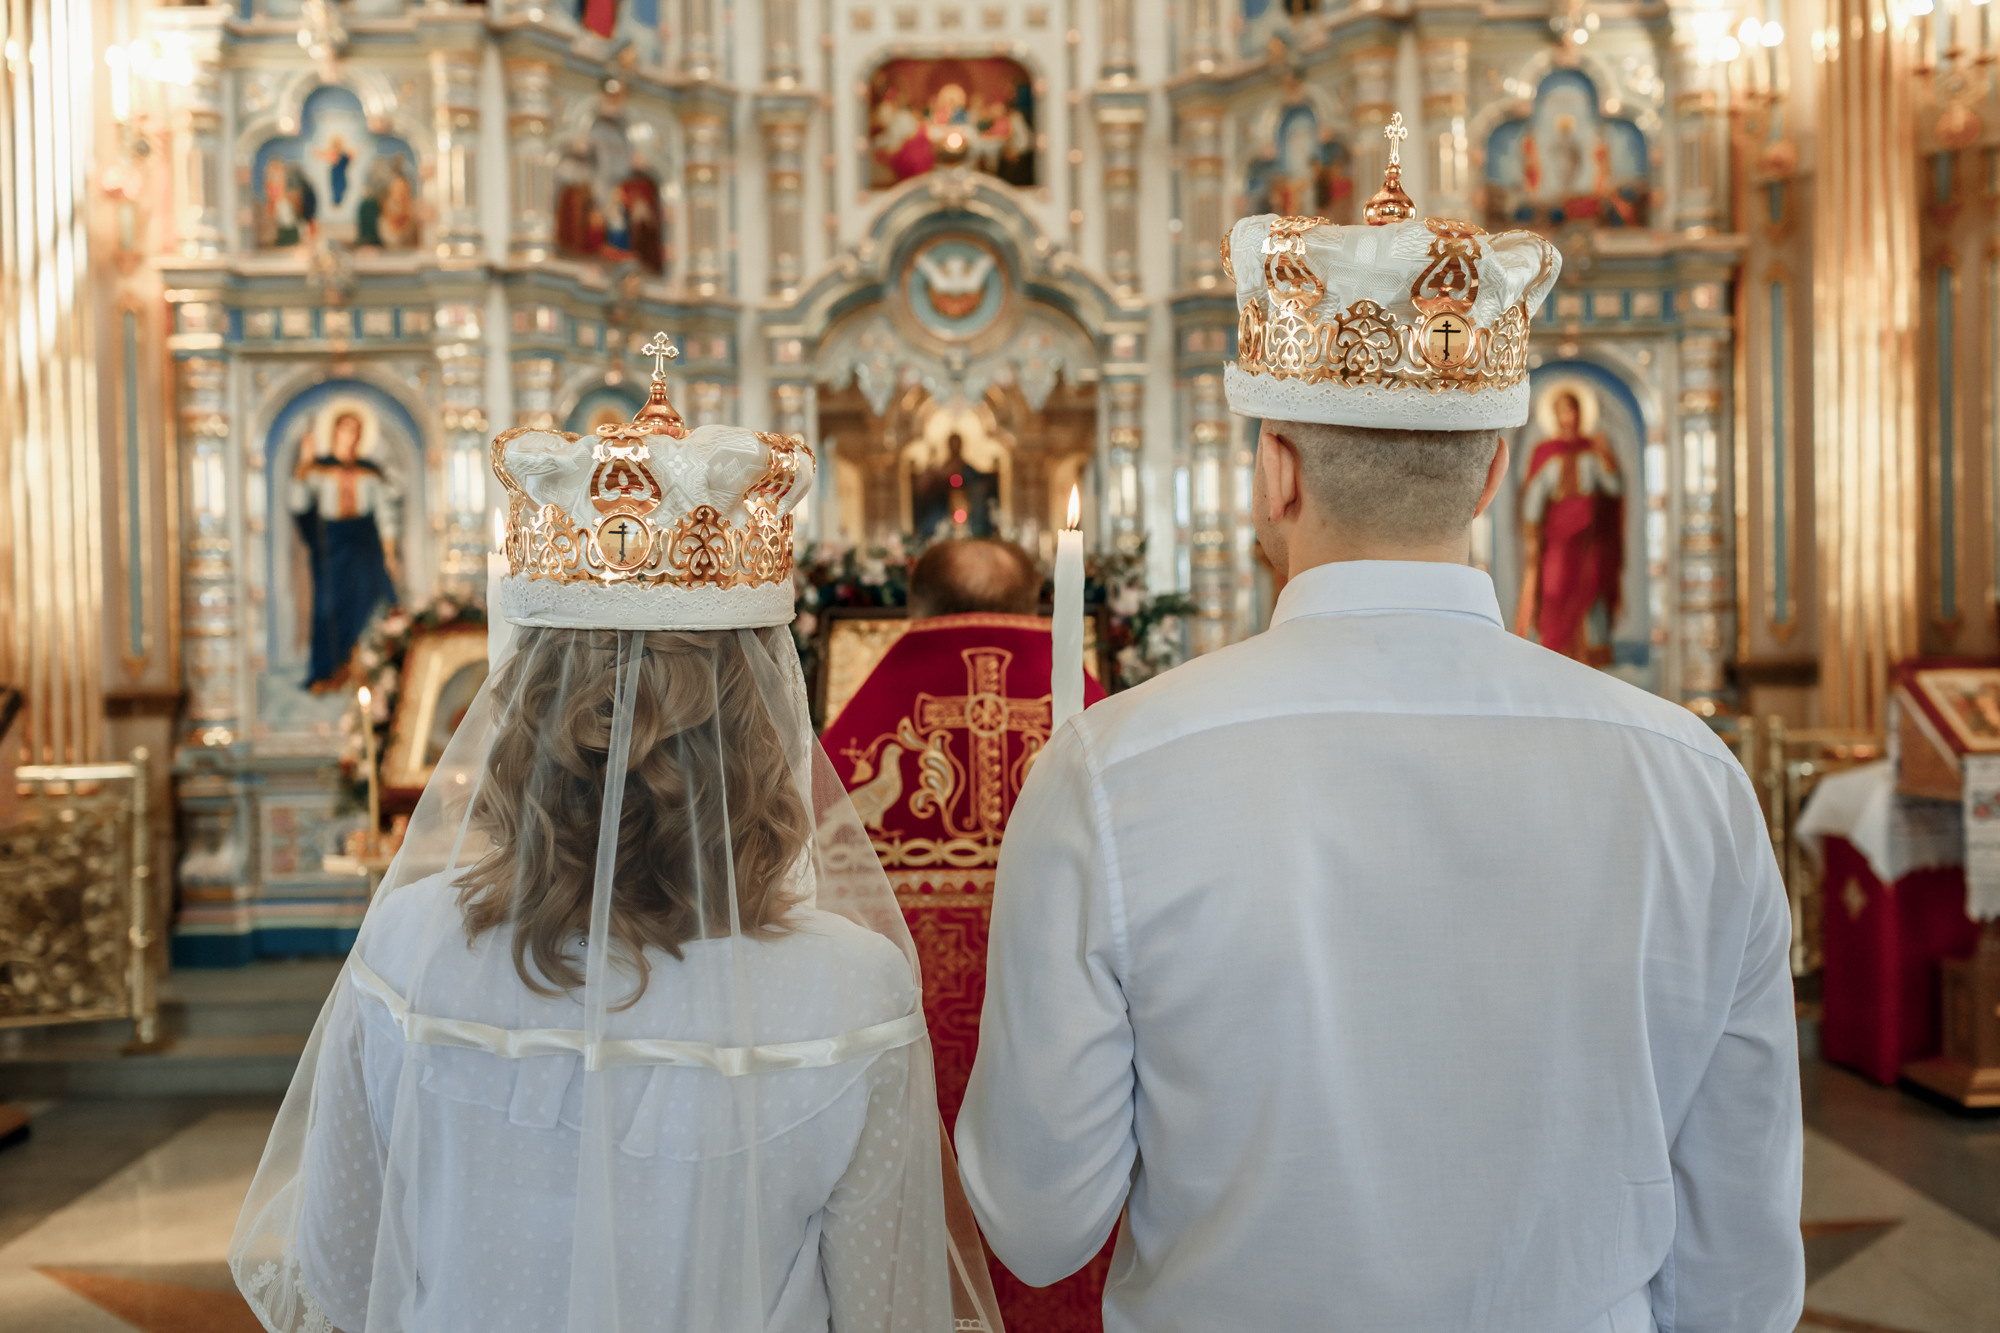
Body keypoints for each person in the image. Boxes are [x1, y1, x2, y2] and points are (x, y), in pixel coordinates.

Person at [956, 201, 1805, 1330]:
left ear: (1273, 470)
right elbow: (1738, 1258)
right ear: (1497, 471)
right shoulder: (1687, 776)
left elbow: (1037, 1213)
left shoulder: (1114, 776)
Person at [234, 372, 1002, 1332]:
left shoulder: (408, 949)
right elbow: (890, 1317)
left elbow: (344, 1283)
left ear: (526, 715)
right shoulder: (848, 992)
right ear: (762, 728)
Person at [818, 537, 1108, 1332]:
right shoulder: (1097, 722)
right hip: (1064, 1053)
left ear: (912, 606)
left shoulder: (859, 733)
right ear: (1036, 602)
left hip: (900, 1068)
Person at [291, 409, 400, 689]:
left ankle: (364, 668)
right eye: (345, 429)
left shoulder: (370, 471)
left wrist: (388, 553)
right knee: (329, 605)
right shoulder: (318, 468)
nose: (350, 436)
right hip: (332, 543)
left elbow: (385, 513)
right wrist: (304, 464)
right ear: (335, 432)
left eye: (355, 430)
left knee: (369, 602)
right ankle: (328, 671)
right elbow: (299, 504)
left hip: (365, 542)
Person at [1517, 386, 1625, 665]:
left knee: (1589, 595)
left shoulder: (1592, 451)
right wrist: (1532, 536)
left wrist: (1606, 455)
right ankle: (1553, 657)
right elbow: (1533, 498)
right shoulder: (1546, 452)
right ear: (1555, 415)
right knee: (1554, 592)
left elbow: (1613, 488)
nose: (1570, 417)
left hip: (1587, 542)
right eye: (1564, 411)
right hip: (1557, 540)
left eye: (1574, 410)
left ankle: (1589, 658)